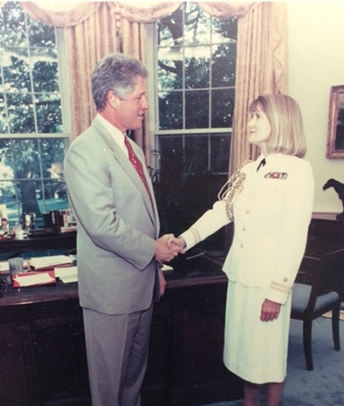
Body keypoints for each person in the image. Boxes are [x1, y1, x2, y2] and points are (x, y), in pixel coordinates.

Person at [169, 94, 314, 406]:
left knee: (270, 357)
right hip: (241, 276)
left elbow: (294, 237)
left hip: (268, 283)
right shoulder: (249, 169)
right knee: (245, 354)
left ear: (280, 121)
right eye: (251, 116)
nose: (250, 123)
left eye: (258, 116)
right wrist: (184, 240)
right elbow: (222, 211)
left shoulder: (298, 171)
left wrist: (277, 292)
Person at [63, 53, 183, 406]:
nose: (146, 105)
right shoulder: (84, 151)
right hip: (111, 297)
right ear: (113, 99)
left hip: (142, 286)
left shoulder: (129, 146)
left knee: (133, 384)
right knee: (109, 390)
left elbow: (140, 216)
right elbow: (102, 224)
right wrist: (154, 250)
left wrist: (155, 269)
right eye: (140, 97)